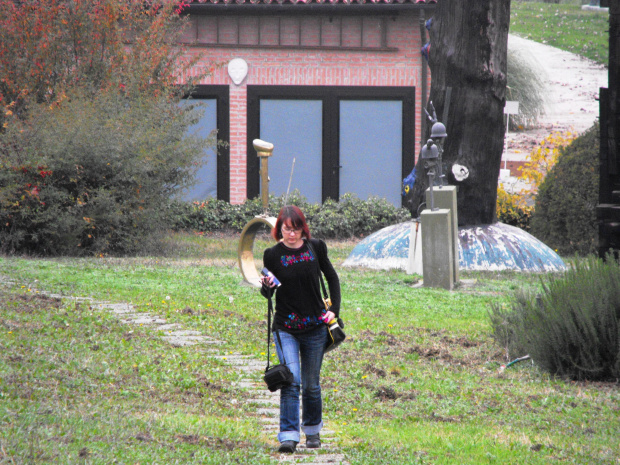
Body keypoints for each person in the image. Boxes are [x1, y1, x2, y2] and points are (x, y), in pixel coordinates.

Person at [260, 205, 341, 454]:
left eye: (295, 229)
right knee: (291, 382)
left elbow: (332, 277)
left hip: (316, 326)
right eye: (286, 229)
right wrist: (266, 286)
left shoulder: (316, 247)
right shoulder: (272, 255)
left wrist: (334, 310)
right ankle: (288, 436)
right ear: (279, 229)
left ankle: (313, 431)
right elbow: (268, 293)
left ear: (302, 228)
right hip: (285, 327)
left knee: (311, 384)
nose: (291, 234)